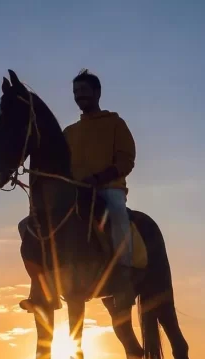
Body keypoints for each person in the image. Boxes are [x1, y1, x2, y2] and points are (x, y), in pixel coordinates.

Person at [64, 69, 137, 308]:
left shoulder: (115, 123)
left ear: (97, 92)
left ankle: (124, 273)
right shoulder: (69, 132)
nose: (79, 96)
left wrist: (98, 178)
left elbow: (126, 160)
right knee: (33, 223)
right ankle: (43, 286)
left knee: (117, 213)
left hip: (108, 189)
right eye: (75, 92)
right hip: (76, 192)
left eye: (84, 91)